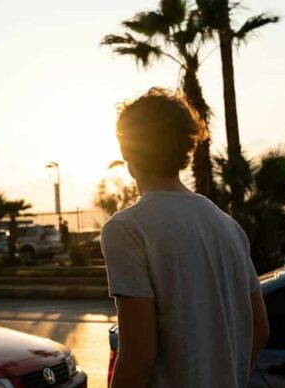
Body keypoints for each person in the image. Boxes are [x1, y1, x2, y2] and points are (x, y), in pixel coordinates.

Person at [101, 88, 270, 388]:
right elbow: (260, 328)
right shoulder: (228, 226)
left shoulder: (127, 229)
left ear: (127, 152)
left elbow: (138, 358)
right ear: (186, 149)